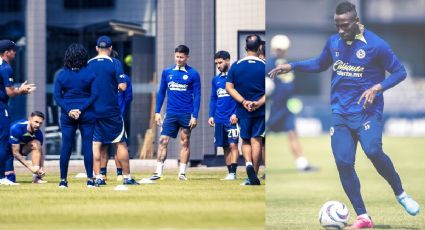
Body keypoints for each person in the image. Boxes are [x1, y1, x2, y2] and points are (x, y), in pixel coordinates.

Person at [268, 1, 420, 228]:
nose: (340, 30)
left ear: (356, 22)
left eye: (345, 25)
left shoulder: (377, 45)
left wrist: (377, 87)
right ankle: (363, 217)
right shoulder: (333, 42)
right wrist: (293, 66)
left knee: (373, 151)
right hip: (340, 113)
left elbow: (400, 72)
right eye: (337, 25)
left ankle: (401, 194)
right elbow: (320, 64)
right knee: (343, 162)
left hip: (368, 113)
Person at [88, 35, 138, 186]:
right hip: (112, 110)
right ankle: (127, 177)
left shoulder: (88, 64)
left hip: (93, 110)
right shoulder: (115, 63)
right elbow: (123, 86)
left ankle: (98, 177)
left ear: (97, 48)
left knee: (96, 144)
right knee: (120, 143)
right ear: (110, 48)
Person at [266, 34, 318, 172]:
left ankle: (302, 164)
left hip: (286, 106)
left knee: (292, 133)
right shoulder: (269, 64)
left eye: (282, 49)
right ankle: (261, 168)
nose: (280, 51)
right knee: (262, 136)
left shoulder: (286, 64)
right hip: (273, 107)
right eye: (278, 48)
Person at [150, 45, 201, 181]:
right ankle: (158, 172)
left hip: (186, 114)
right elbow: (161, 93)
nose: (179, 59)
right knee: (162, 140)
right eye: (177, 56)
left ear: (187, 57)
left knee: (185, 142)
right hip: (170, 113)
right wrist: (157, 112)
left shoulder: (193, 74)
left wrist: (195, 116)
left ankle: (182, 173)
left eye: (182, 57)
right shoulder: (167, 72)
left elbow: (197, 96)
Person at [54, 43, 97, 188]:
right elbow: (95, 95)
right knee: (87, 145)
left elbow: (57, 97)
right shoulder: (90, 73)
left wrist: (69, 110)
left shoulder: (62, 75)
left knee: (66, 145)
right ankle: (90, 179)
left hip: (67, 114)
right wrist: (81, 109)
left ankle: (63, 180)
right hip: (87, 113)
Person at [226, 35, 265, 186]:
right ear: (260, 47)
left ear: (245, 47)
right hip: (260, 110)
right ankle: (253, 175)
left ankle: (248, 163)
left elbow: (229, 87)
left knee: (245, 140)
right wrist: (258, 103)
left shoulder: (236, 66)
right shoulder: (265, 65)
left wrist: (243, 101)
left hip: (242, 109)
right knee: (257, 140)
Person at [0, 39, 36, 186]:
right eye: (13, 50)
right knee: (3, 141)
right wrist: (21, 90)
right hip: (1, 107)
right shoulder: (6, 68)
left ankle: (8, 175)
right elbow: (9, 92)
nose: (15, 53)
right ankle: (2, 176)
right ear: (7, 52)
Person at [100, 49, 133, 182]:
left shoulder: (101, 77)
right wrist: (122, 109)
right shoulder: (125, 78)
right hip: (118, 114)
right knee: (119, 144)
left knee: (102, 145)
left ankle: (102, 174)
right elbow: (128, 97)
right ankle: (120, 174)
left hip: (103, 113)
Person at [208, 50, 239, 180]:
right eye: (216, 63)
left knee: (233, 145)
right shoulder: (216, 80)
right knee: (225, 146)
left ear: (227, 60)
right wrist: (211, 115)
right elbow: (213, 98)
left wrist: (236, 114)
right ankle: (229, 173)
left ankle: (234, 173)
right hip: (219, 118)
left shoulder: (236, 77)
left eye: (220, 62)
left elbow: (241, 98)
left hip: (231, 118)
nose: (218, 65)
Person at [8, 111, 46, 184]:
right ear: (30, 119)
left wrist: (40, 169)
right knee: (10, 179)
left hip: (20, 149)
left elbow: (40, 152)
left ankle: (36, 178)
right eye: (36, 122)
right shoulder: (16, 128)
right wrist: (31, 167)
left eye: (40, 123)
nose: (38, 125)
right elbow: (15, 153)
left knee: (36, 144)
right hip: (6, 150)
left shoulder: (39, 134)